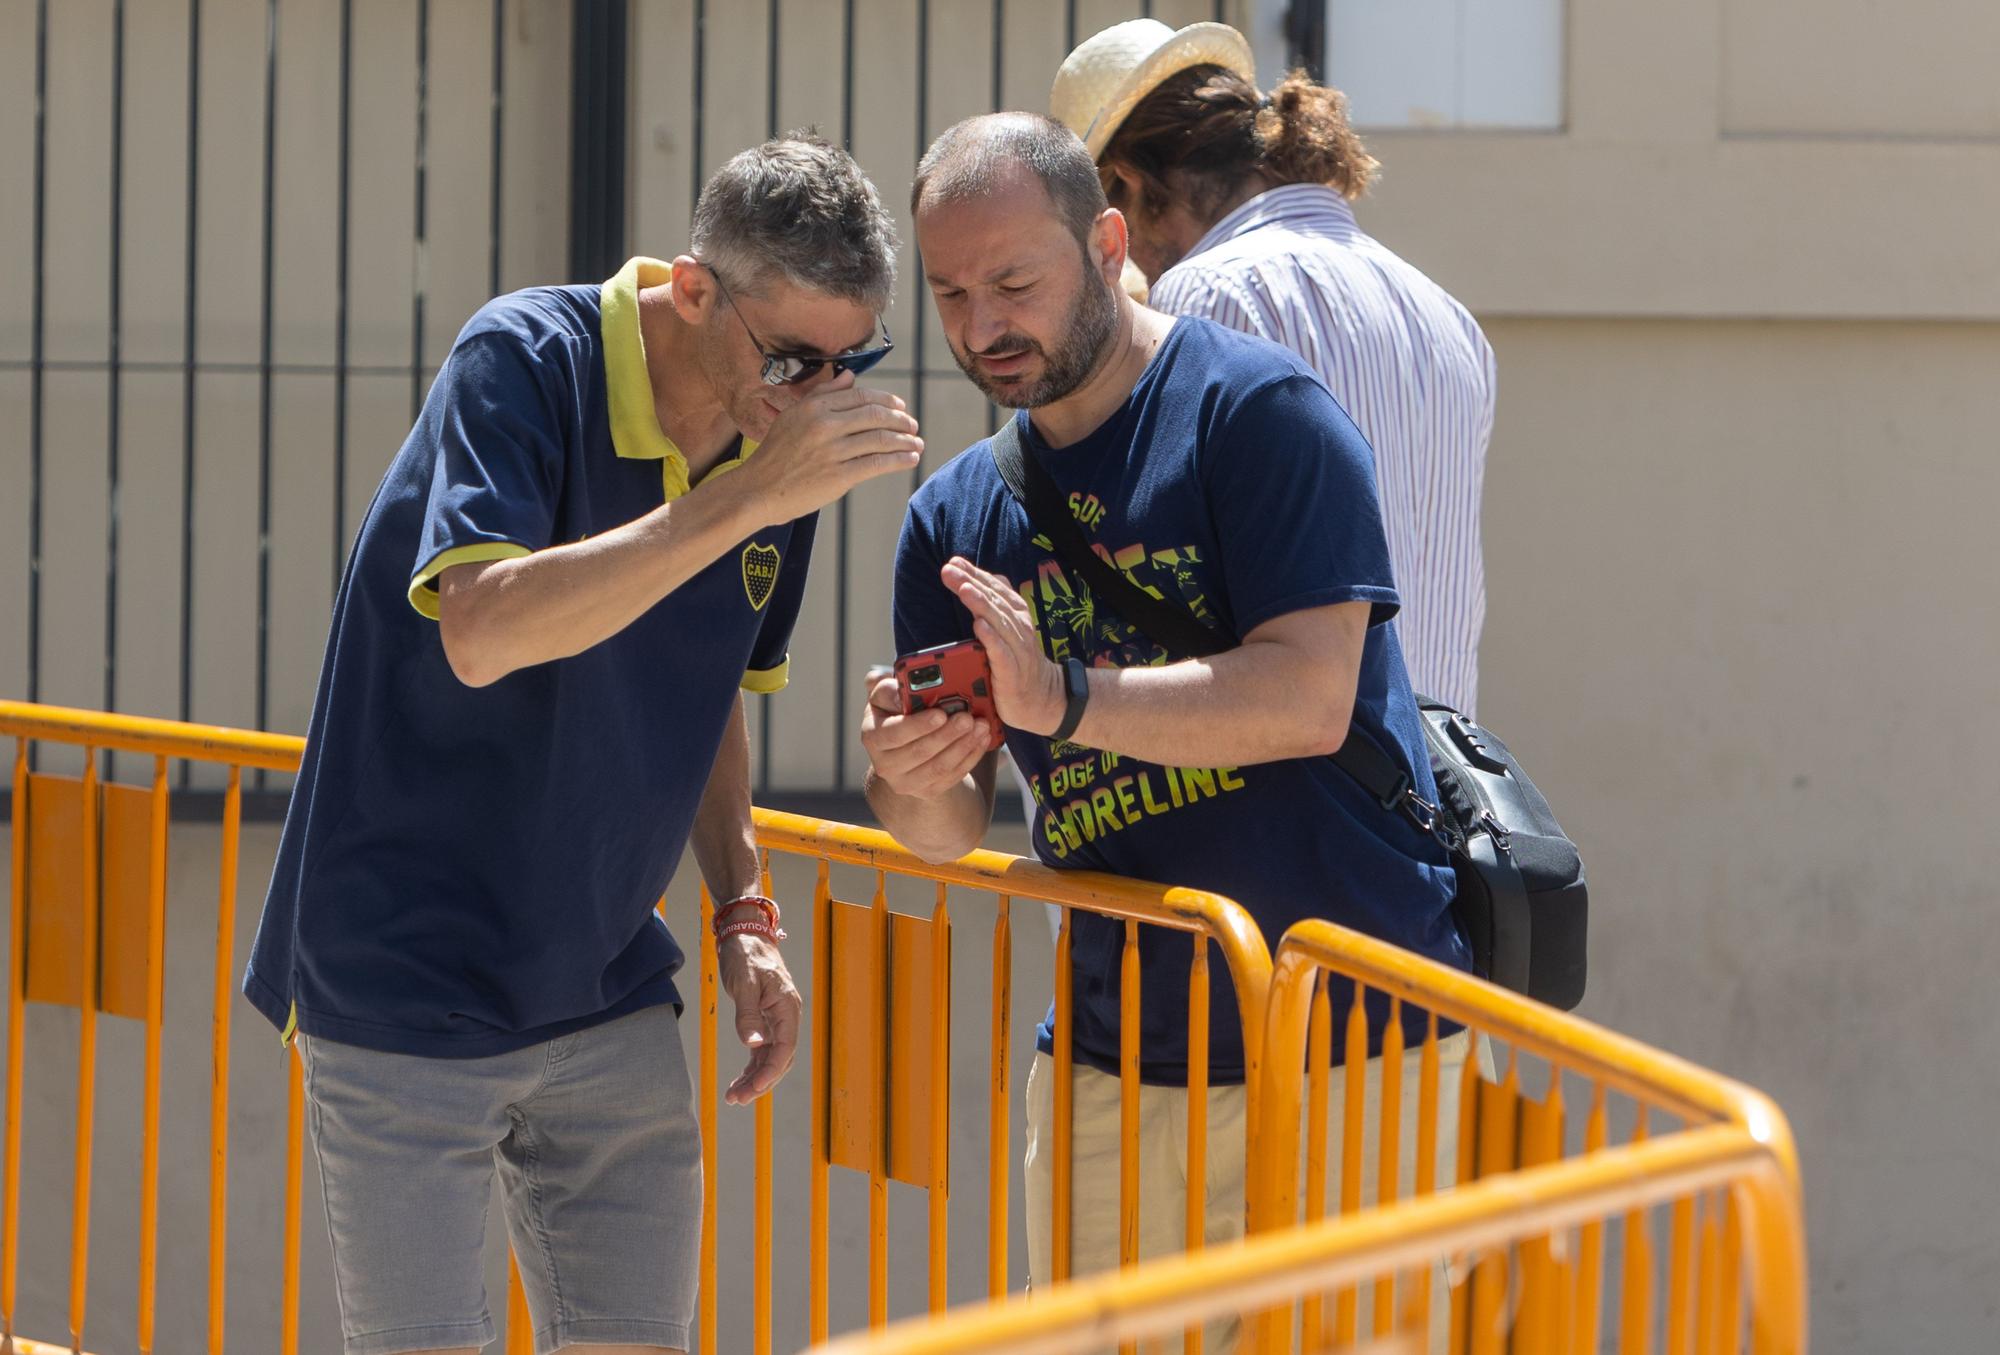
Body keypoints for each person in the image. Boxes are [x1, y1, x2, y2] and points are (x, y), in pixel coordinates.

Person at [242, 135, 920, 1355]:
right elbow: (484, 628)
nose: (818, 392)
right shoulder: (523, 356)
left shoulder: (773, 450)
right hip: (405, 976)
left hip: (603, 981)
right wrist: (744, 500)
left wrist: (743, 912)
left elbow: (707, 688)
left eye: (848, 361)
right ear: (694, 288)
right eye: (792, 357)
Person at [860, 113, 1474, 1350]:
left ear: (1104, 241)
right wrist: (906, 776)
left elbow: (1307, 695)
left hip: (1352, 1040)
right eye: (950, 292)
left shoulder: (1256, 415)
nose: (984, 325)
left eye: (1015, 282)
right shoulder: (953, 515)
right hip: (1114, 1061)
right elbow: (944, 829)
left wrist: (1067, 700)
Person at [1052, 18, 1495, 716]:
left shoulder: (1207, 295)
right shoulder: (1447, 316)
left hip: (1292, 793)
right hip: (1437, 797)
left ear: (1129, 185)